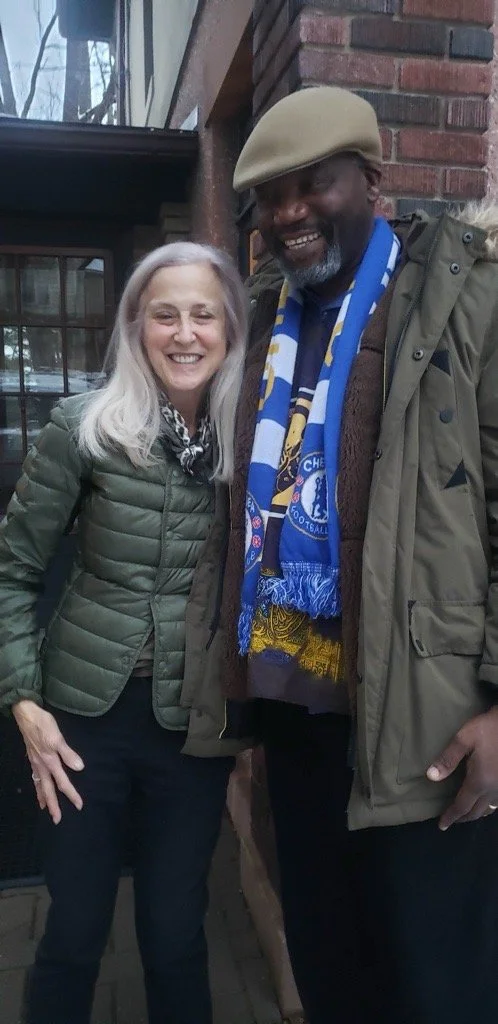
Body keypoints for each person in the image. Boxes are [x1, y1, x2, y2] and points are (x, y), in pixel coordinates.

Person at [219, 86, 498, 1024]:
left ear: (370, 180)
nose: (290, 212)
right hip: (298, 722)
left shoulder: (465, 298)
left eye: (313, 185)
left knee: (435, 988)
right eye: (270, 197)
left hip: (427, 725)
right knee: (332, 977)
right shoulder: (262, 319)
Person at [0, 241, 250, 1024]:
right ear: (137, 327)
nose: (184, 333)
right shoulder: (85, 427)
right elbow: (13, 571)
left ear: (230, 329)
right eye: (164, 314)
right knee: (73, 929)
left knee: (176, 932)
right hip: (82, 723)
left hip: (194, 726)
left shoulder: (256, 443)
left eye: (203, 315)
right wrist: (23, 701)